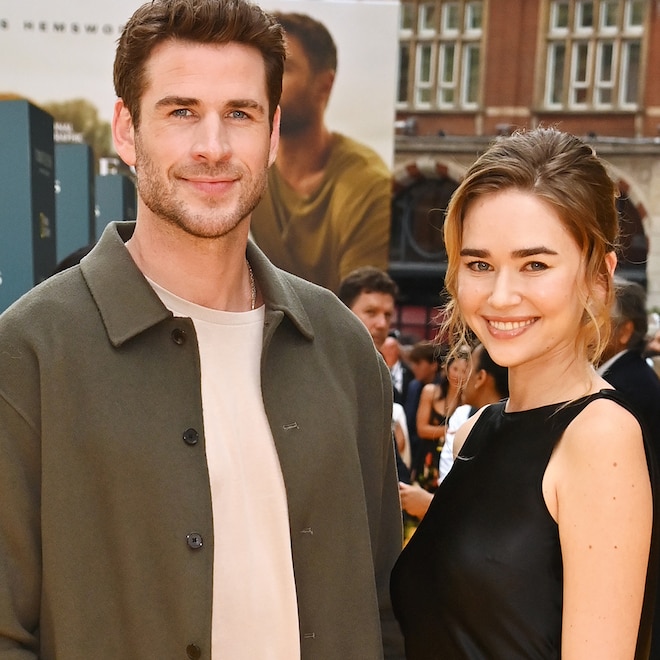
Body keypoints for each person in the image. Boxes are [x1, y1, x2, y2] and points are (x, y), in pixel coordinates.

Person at [0, 1, 405, 658]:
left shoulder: (341, 346)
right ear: (127, 129)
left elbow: (384, 609)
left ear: (273, 134)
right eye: (181, 111)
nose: (212, 147)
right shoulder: (31, 353)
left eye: (239, 114)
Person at [390, 127, 658, 659]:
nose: (501, 295)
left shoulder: (599, 438)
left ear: (598, 278)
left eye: (535, 264)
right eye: (480, 264)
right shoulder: (476, 430)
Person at [250, 12, 391, 293]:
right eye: (264, 69)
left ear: (324, 85)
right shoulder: (249, 165)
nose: (267, 83)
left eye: (285, 69)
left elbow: (362, 303)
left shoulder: (367, 182)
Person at [598, 277, 660, 658]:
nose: (585, 324)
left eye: (597, 316)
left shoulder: (626, 386)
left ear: (624, 332)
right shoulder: (623, 376)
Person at [399, 343, 508, 520]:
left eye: (468, 370)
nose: (462, 377)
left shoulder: (500, 432)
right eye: (456, 369)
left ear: (480, 377)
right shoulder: (462, 414)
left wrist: (428, 504)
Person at [413, 348, 469, 491]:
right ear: (446, 368)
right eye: (455, 369)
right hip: (428, 457)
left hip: (452, 459)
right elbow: (422, 429)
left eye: (464, 371)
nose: (459, 375)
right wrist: (449, 432)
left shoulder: (469, 401)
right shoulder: (430, 391)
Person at [380, 333, 414, 407]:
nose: (388, 351)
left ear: (398, 350)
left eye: (391, 348)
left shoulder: (410, 370)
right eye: (385, 348)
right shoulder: (378, 370)